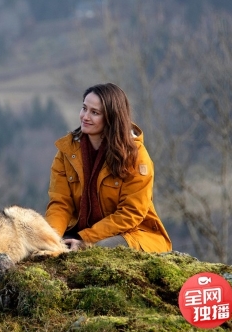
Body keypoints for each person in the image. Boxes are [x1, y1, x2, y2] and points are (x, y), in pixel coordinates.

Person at [44, 83, 171, 253]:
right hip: (81, 231)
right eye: (84, 108)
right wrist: (50, 239)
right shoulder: (66, 152)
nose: (85, 116)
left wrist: (85, 239)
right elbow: (60, 204)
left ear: (111, 118)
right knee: (48, 246)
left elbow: (130, 214)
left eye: (94, 112)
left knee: (98, 251)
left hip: (130, 234)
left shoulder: (137, 156)